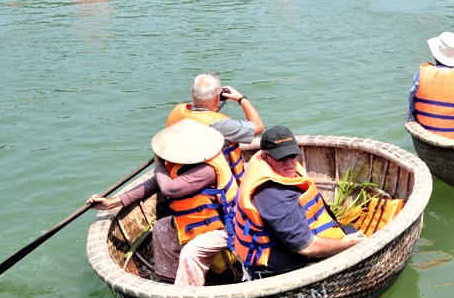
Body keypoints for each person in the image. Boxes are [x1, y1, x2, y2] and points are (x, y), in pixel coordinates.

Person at [87, 119, 237, 286]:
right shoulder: (182, 162)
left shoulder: (207, 169)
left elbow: (169, 189)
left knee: (191, 252)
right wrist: (113, 202)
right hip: (198, 223)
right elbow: (154, 184)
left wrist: (159, 165)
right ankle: (172, 281)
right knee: (161, 228)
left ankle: (188, 293)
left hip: (226, 225)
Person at [232, 126, 365, 279]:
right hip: (279, 270)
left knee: (349, 231)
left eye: (292, 155)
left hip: (289, 242)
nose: (289, 163)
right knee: (355, 241)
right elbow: (306, 247)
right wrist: (346, 244)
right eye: (281, 158)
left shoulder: (273, 172)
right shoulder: (273, 196)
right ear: (264, 157)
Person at [167, 73, 264, 182]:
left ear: (193, 96)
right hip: (216, 179)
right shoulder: (220, 125)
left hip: (180, 170)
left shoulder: (178, 111)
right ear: (218, 97)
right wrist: (241, 99)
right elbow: (259, 127)